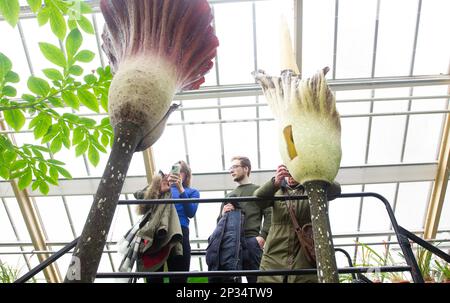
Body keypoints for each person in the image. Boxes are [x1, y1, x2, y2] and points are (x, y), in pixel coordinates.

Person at [254, 164, 341, 283]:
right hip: (275, 254)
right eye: (288, 170)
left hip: (305, 256)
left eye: (295, 169)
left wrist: (311, 174)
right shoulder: (277, 190)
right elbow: (257, 200)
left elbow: (336, 190)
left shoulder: (313, 188)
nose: (291, 174)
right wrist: (274, 182)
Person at [138, 161, 199, 283]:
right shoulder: (163, 187)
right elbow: (140, 198)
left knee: (179, 274)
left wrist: (181, 189)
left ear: (186, 175)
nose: (176, 173)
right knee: (153, 275)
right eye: (173, 170)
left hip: (180, 231)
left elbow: (191, 212)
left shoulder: (191, 192)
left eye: (179, 171)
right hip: (158, 230)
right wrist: (158, 186)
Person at [215, 156, 272, 283]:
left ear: (246, 168)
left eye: (235, 167)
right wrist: (223, 214)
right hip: (231, 244)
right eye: (231, 168)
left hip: (252, 241)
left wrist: (262, 236)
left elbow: (269, 214)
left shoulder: (258, 190)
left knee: (258, 281)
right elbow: (219, 224)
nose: (231, 170)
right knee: (231, 283)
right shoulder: (229, 196)